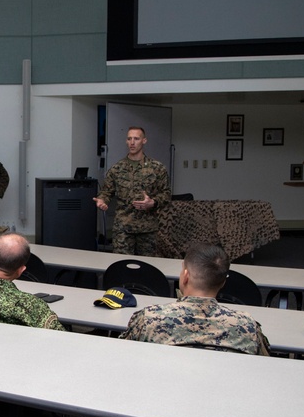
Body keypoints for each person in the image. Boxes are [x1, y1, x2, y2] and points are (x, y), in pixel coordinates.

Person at [119, 242, 271, 355]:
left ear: (185, 276)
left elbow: (123, 357)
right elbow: (263, 369)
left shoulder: (149, 319)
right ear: (223, 282)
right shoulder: (247, 326)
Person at [93, 126, 171, 256]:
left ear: (144, 141)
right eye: (129, 139)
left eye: (136, 139)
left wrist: (153, 202)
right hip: (123, 228)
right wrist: (102, 200)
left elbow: (167, 194)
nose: (132, 142)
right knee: (123, 267)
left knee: (147, 269)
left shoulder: (157, 168)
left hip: (147, 229)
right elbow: (106, 191)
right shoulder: (117, 168)